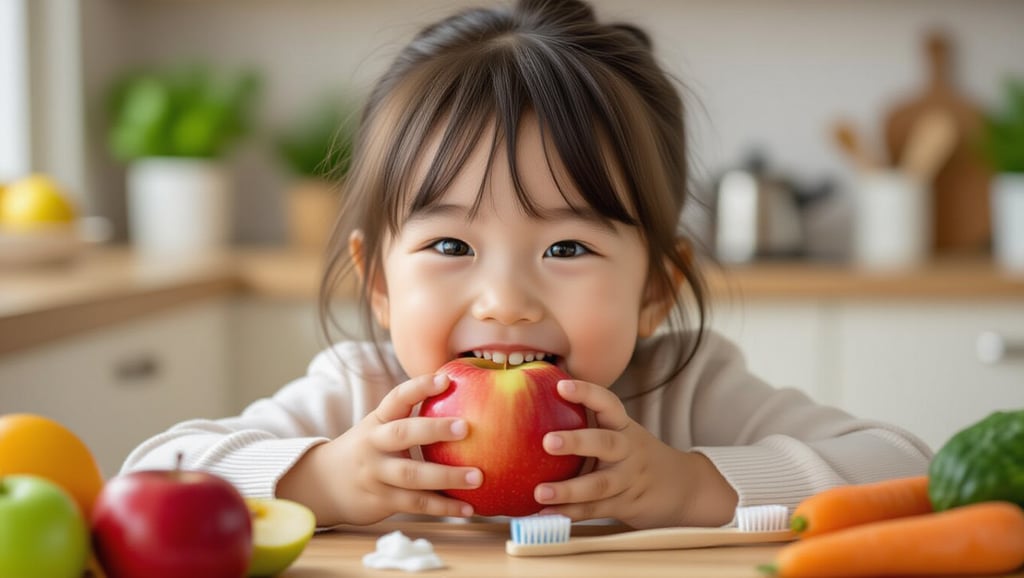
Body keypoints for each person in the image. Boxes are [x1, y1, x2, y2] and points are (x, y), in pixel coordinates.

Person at [123, 0, 930, 530]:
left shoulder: (684, 392)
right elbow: (148, 480)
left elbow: (910, 472)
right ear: (378, 281)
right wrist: (323, 481)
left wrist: (690, 487)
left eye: (567, 248)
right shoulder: (361, 397)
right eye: (450, 246)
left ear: (656, 289)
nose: (505, 300)